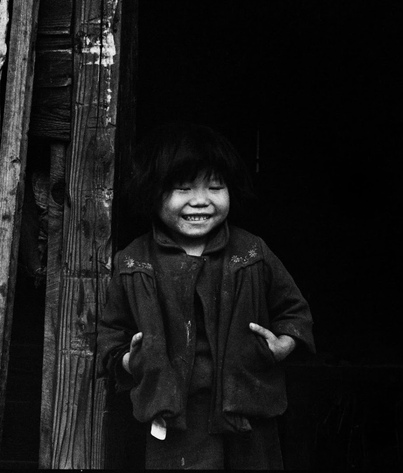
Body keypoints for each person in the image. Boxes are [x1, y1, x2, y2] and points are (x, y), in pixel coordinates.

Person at [97, 123, 315, 469]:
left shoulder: (252, 252)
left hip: (247, 408)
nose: (200, 200)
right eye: (183, 188)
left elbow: (295, 312)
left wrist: (281, 346)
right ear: (152, 193)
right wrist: (130, 360)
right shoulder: (134, 262)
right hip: (174, 417)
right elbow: (111, 335)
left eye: (215, 187)